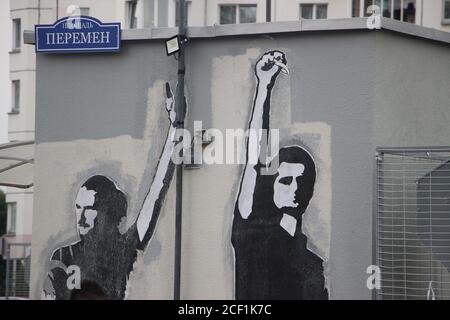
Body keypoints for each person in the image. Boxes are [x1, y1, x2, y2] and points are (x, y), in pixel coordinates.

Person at [42, 83, 181, 300]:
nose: (81, 217)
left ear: (106, 212)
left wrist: (175, 127)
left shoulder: (122, 249)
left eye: (90, 209)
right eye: (78, 207)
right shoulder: (62, 256)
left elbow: (155, 195)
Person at [231, 51, 328, 299]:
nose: (295, 188)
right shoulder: (251, 231)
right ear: (270, 185)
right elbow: (254, 159)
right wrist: (264, 86)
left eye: (301, 181)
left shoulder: (313, 264)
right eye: (285, 180)